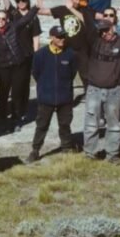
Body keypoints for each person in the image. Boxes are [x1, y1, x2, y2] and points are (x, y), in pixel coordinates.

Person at [81, 0, 120, 164]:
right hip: (94, 90)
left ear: (113, 25)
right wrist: (84, 3)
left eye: (107, 29)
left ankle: (112, 154)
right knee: (91, 125)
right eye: (102, 30)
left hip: (114, 91)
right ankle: (90, 154)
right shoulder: (94, 40)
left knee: (113, 125)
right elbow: (88, 19)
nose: (104, 33)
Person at [0, 0, 40, 134]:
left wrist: (35, 7)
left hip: (18, 65)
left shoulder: (13, 27)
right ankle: (2, 117)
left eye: (3, 19)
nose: (1, 21)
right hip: (2, 68)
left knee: (17, 93)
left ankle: (16, 120)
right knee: (3, 94)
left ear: (7, 20)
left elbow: (26, 19)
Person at [26, 26, 78, 163]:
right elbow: (36, 73)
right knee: (42, 125)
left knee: (65, 124)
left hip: (65, 97)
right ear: (52, 37)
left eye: (64, 36)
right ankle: (35, 150)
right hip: (46, 98)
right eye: (59, 37)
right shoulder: (40, 55)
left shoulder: (70, 54)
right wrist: (45, 87)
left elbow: (72, 73)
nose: (62, 39)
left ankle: (66, 147)